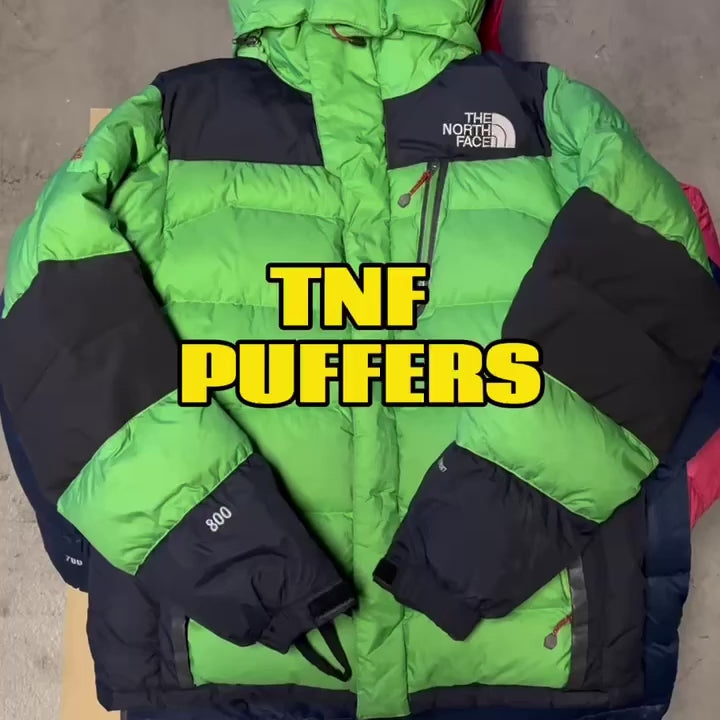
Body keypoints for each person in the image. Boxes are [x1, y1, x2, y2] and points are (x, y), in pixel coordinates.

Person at [2, 2, 720, 719]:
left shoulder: (541, 115)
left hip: (515, 671)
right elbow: (54, 333)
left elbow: (652, 279)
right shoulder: (175, 125)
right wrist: (224, 552)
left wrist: (482, 537)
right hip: (246, 673)